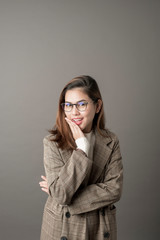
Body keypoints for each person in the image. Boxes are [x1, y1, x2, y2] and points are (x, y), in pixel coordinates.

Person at [39, 75, 123, 240]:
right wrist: (82, 148)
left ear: (97, 106)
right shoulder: (52, 143)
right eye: (68, 106)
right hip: (63, 225)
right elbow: (61, 194)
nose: (74, 112)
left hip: (99, 226)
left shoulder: (110, 141)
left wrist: (62, 195)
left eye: (81, 104)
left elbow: (114, 190)